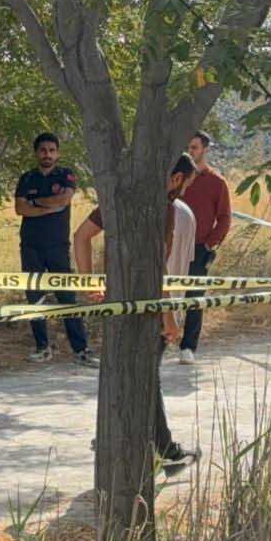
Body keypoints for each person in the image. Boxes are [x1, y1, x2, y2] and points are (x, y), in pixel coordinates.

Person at [73, 153, 201, 464]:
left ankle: (115, 438)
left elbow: (81, 236)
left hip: (116, 303)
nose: (184, 191)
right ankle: (164, 450)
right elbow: (157, 267)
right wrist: (168, 317)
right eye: (186, 184)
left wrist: (88, 283)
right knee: (146, 377)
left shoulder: (120, 199)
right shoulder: (163, 208)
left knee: (122, 372)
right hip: (147, 308)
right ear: (175, 179)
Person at [14, 132, 99, 367]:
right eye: (43, 150)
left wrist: (35, 202)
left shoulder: (65, 175)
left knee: (66, 297)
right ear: (36, 153)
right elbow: (20, 208)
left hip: (57, 246)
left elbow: (64, 199)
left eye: (52, 150)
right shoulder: (27, 178)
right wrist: (46, 205)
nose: (47, 154)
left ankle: (81, 350)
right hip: (30, 246)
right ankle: (42, 347)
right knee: (35, 298)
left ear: (58, 153)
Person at [177, 130, 232, 364]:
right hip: (172, 247)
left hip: (199, 248)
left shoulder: (217, 182)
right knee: (165, 293)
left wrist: (210, 244)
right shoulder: (176, 177)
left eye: (194, 147)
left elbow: (225, 218)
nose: (190, 152)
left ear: (205, 150)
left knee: (194, 298)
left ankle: (188, 347)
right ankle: (162, 339)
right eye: (187, 147)